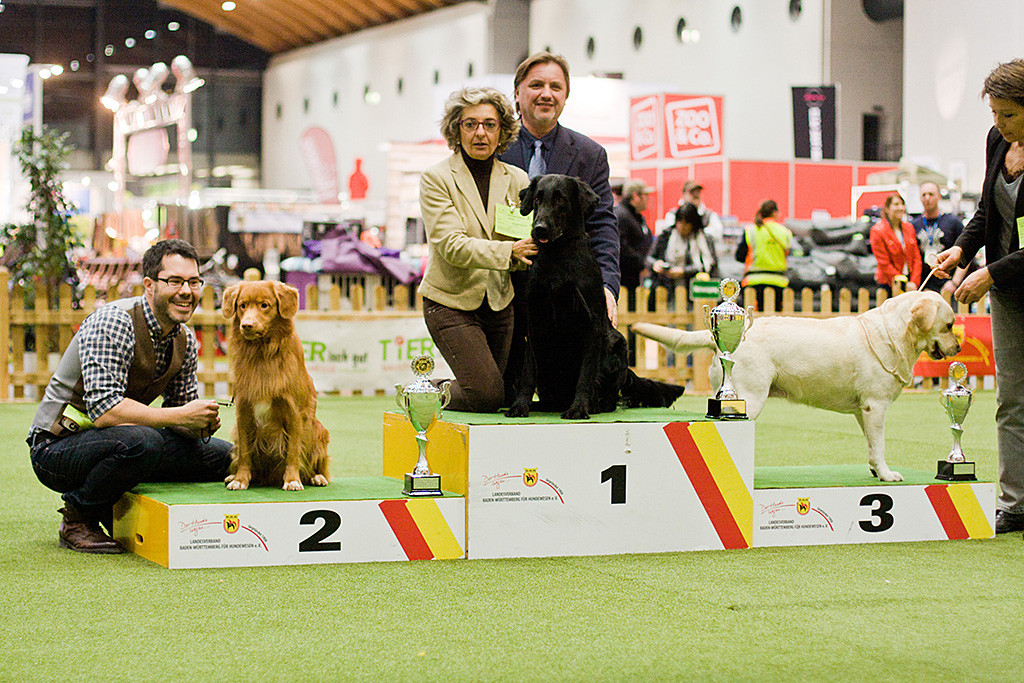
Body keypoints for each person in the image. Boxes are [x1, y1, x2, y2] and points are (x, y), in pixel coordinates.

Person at [27, 239, 232, 554]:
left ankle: (129, 505)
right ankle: (78, 518)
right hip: (56, 447)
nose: (187, 291)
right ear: (149, 285)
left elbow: (179, 417)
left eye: (193, 282)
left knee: (226, 456)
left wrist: (200, 424)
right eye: (175, 281)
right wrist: (180, 417)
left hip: (121, 439)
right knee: (143, 441)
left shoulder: (186, 341)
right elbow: (105, 411)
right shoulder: (115, 321)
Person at [933, 59, 1024, 535]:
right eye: (994, 114)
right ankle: (1016, 504)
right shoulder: (997, 142)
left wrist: (988, 273)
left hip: (1002, 277)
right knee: (1012, 399)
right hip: (1011, 290)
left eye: (1008, 115)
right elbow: (987, 210)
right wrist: (962, 250)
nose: (999, 125)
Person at [498, 50, 620, 400]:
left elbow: (603, 227)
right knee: (498, 397)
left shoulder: (590, 154)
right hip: (504, 293)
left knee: (562, 397)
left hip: (565, 298)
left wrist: (607, 289)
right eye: (536, 85)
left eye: (556, 86)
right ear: (518, 93)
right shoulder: (494, 147)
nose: (546, 93)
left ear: (566, 95)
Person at [418, 86, 535, 413]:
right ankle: (424, 389)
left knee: (494, 397)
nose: (480, 133)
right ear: (457, 129)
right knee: (486, 395)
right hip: (450, 301)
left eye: (489, 124)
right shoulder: (436, 178)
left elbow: (524, 245)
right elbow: (452, 246)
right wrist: (509, 253)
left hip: (500, 304)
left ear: (502, 131)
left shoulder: (518, 179)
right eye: (470, 124)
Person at [647, 202, 719, 311]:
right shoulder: (666, 236)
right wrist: (656, 264)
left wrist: (683, 271)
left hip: (695, 293)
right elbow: (649, 258)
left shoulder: (704, 239)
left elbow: (710, 264)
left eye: (686, 223)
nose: (682, 226)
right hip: (667, 290)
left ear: (693, 224)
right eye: (679, 222)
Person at [912, 181, 968, 295]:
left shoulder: (953, 222)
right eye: (924, 195)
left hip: (948, 285)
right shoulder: (913, 225)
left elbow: (966, 253)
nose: (927, 198)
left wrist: (954, 282)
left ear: (939, 196)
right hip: (923, 286)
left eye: (931, 194)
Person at [735, 199, 792, 311]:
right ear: (775, 213)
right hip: (779, 282)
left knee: (754, 320)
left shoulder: (751, 231)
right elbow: (789, 254)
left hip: (754, 282)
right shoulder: (785, 232)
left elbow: (739, 256)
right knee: (775, 320)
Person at [614, 178, 654, 311]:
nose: (648, 199)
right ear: (636, 196)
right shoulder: (622, 216)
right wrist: (641, 263)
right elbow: (621, 248)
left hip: (634, 278)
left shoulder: (635, 217)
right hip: (625, 280)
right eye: (645, 195)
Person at [869, 193, 921, 294]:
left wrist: (914, 282)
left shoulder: (909, 228)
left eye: (902, 204)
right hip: (888, 284)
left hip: (910, 282)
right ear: (887, 209)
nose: (900, 208)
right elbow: (883, 262)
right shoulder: (877, 231)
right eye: (896, 204)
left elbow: (916, 258)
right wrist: (901, 283)